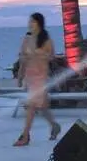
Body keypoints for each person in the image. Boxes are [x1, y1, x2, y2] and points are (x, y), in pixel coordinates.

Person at [13, 12, 61, 146]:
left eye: (32, 21)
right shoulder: (26, 40)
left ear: (39, 23)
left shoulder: (46, 40)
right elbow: (22, 60)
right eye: (29, 21)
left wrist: (40, 55)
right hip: (30, 77)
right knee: (43, 108)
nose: (30, 24)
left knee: (31, 106)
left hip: (41, 77)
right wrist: (20, 77)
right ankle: (54, 125)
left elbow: (52, 57)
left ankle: (25, 136)